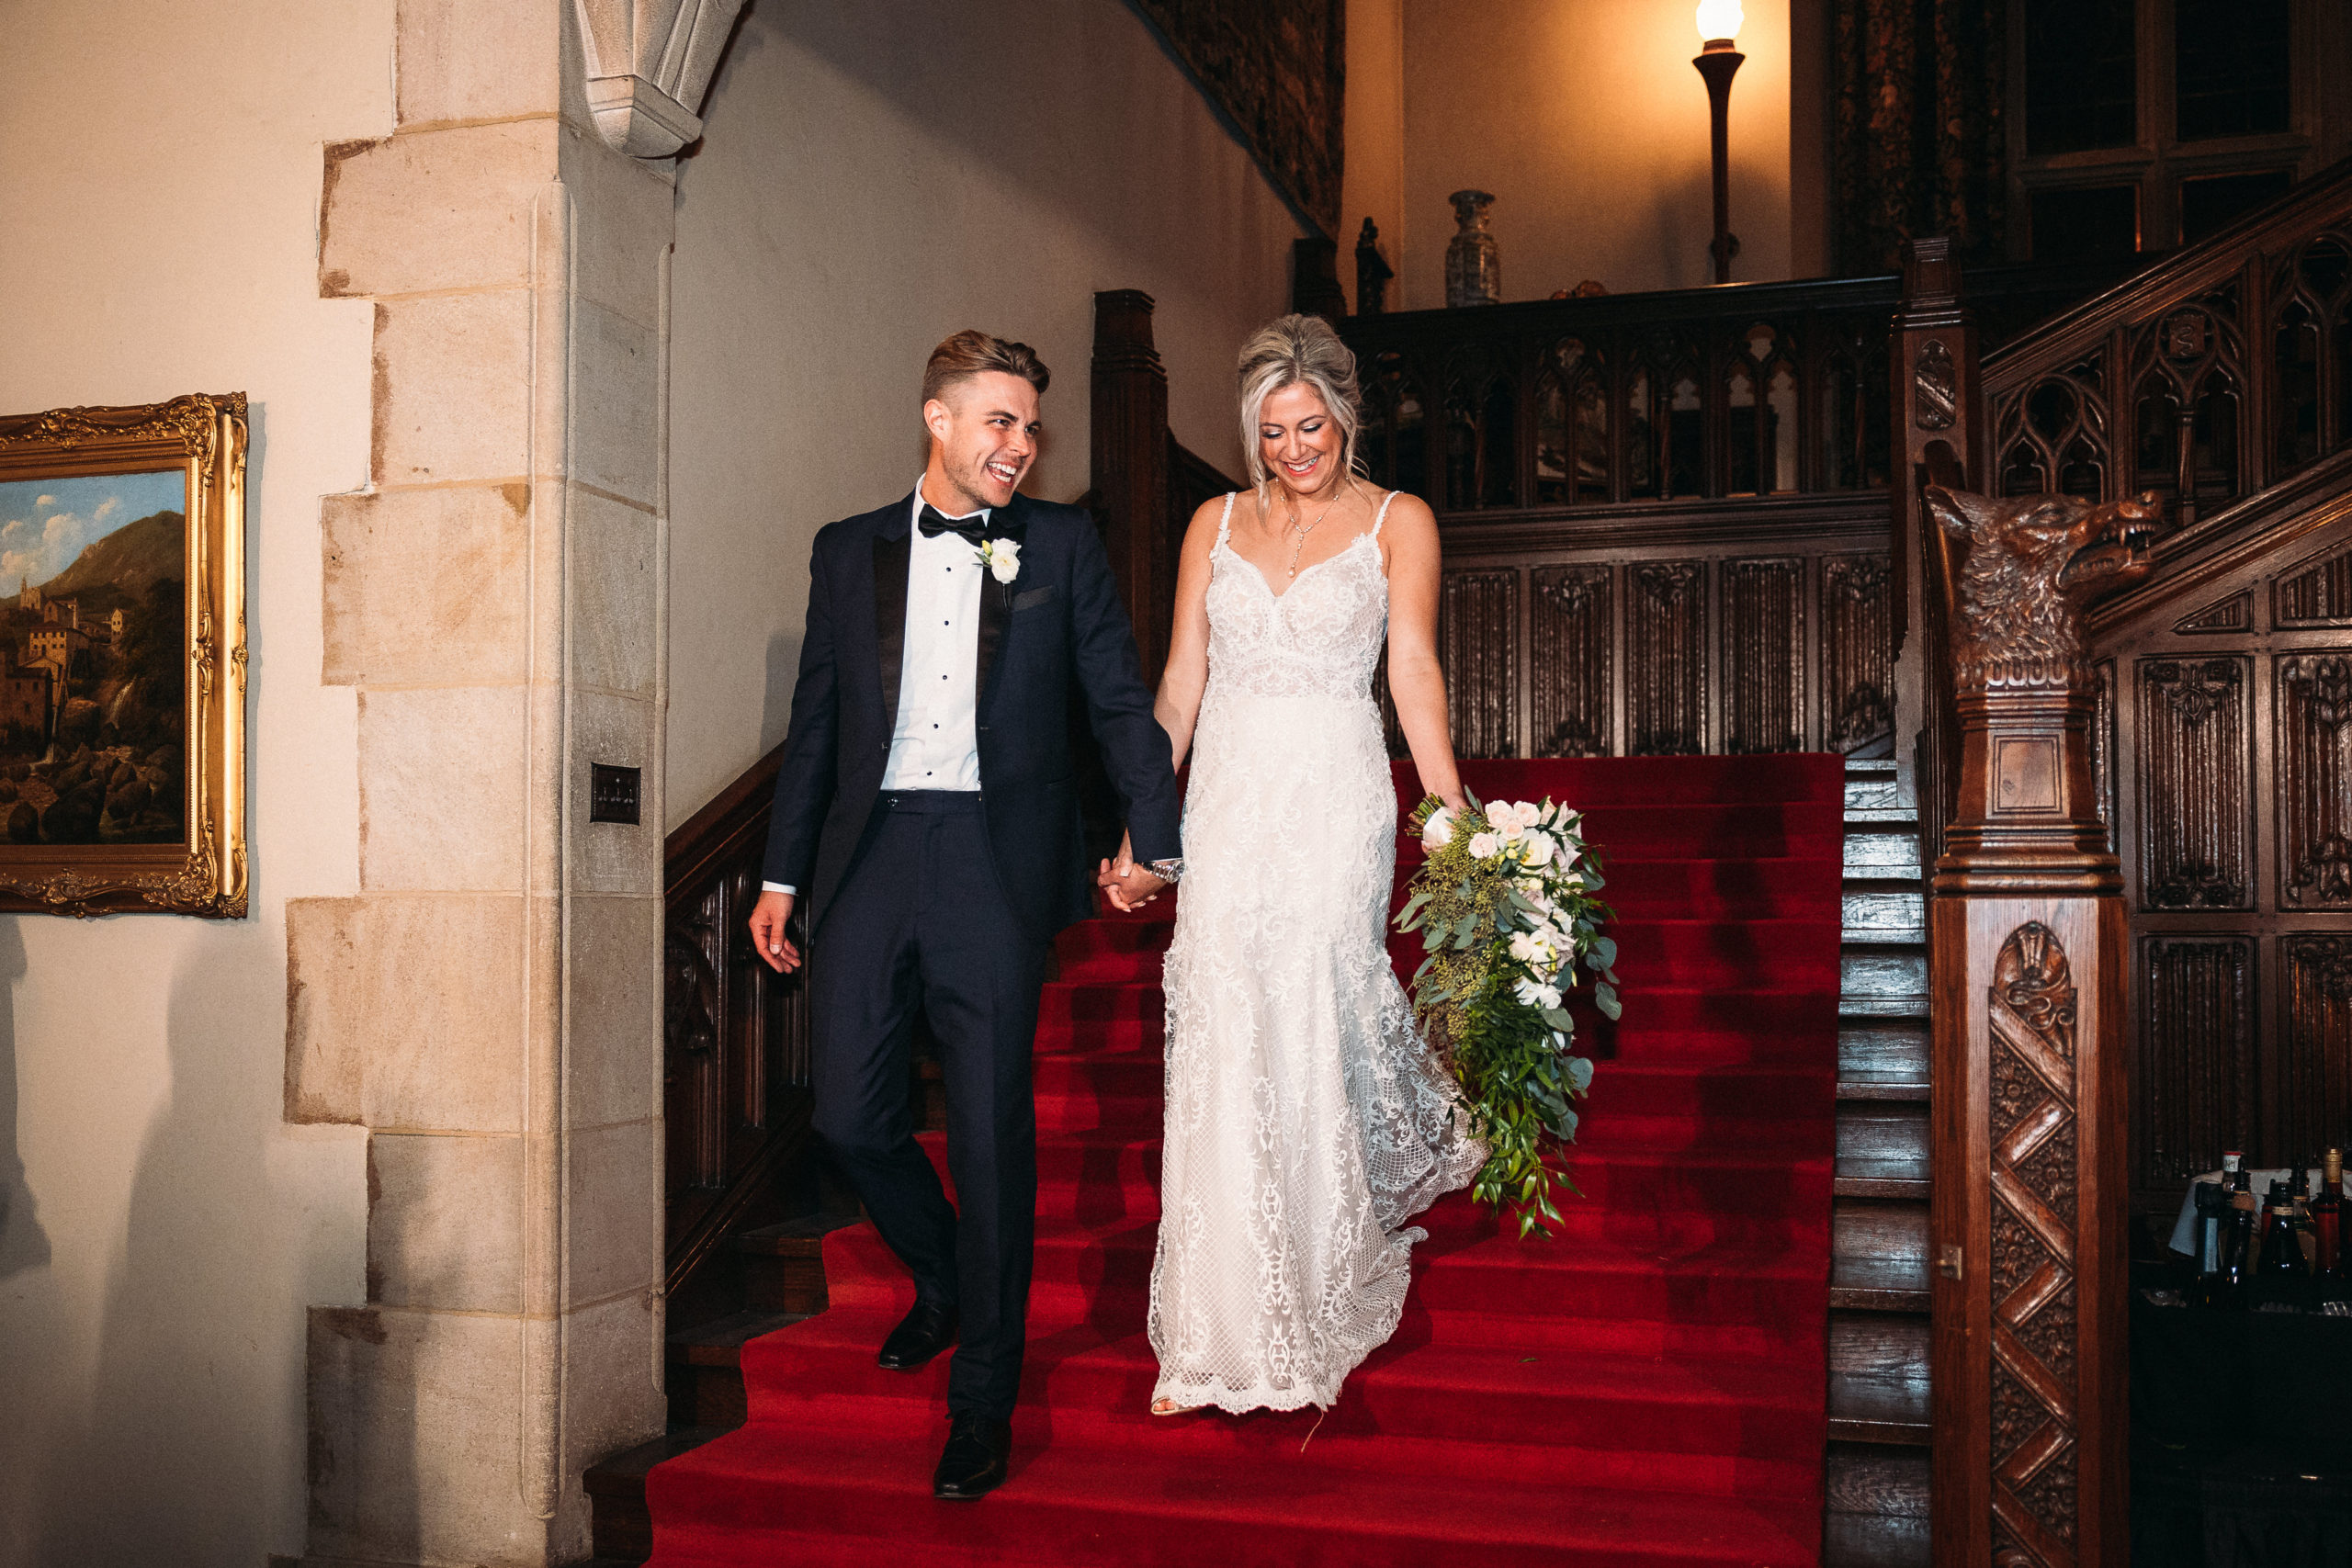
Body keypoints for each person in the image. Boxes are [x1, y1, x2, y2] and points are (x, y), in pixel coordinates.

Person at [748, 330, 1181, 1499]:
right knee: (846, 1117)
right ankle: (940, 1275)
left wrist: (1159, 830)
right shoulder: (848, 552)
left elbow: (1118, 698)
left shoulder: (1062, 544)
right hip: (872, 856)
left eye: (1031, 427)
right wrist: (783, 875)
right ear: (936, 421)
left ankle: (982, 1398)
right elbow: (819, 724)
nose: (1022, 447)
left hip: (991, 869)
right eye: (1000, 421)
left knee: (993, 1138)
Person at [1102, 313, 1487, 1416]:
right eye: (1272, 433)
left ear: (1345, 419)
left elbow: (1410, 667)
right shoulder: (1211, 523)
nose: (1293, 450)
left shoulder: (1396, 520)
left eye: (1309, 426)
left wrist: (1446, 809)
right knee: (1225, 1018)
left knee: (1311, 1005)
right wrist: (1145, 830)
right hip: (1226, 796)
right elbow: (1177, 690)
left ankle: (1311, 1294)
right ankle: (1213, 1330)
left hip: (1334, 793)